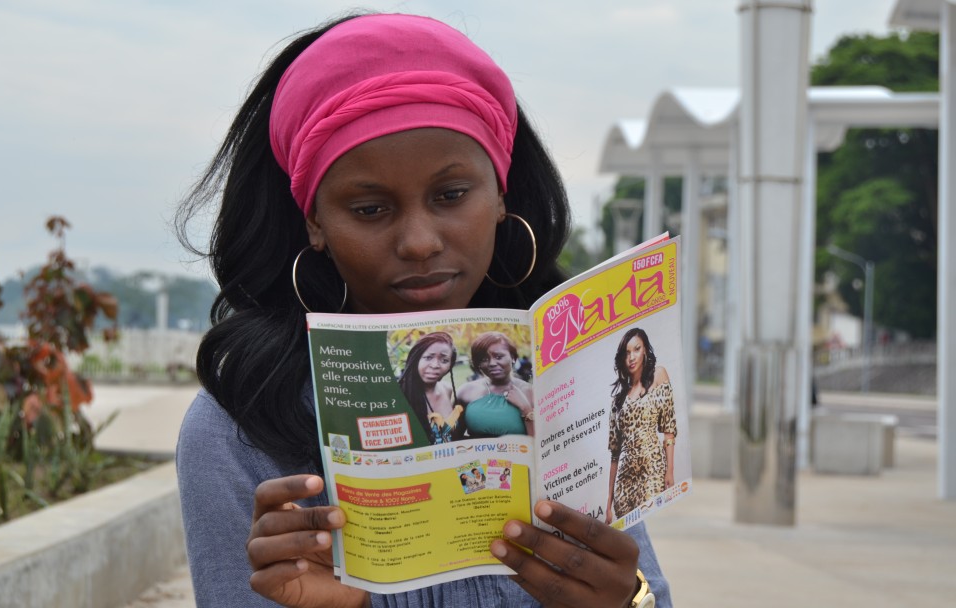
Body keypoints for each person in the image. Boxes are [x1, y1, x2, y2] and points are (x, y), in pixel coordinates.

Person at [174, 11, 672, 607]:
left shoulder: (569, 387)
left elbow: (651, 598)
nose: (419, 241)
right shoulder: (238, 428)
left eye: (451, 195)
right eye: (369, 209)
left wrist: (629, 599)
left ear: (499, 192)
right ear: (314, 221)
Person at [604, 327, 678, 525]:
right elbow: (614, 454)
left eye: (636, 349)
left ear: (645, 350)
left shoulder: (659, 376)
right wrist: (609, 502)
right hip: (624, 481)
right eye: (627, 353)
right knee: (630, 536)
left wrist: (669, 471)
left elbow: (669, 430)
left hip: (652, 470)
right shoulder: (617, 401)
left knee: (648, 529)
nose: (632, 357)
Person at [457, 332, 536, 437]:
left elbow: (540, 445)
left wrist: (526, 409)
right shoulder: (465, 392)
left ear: (512, 357)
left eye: (498, 357)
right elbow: (454, 438)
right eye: (484, 359)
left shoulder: (531, 392)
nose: (492, 363)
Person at [397, 332, 465, 443]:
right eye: (428, 357)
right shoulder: (400, 394)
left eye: (444, 360)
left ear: (450, 365)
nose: (435, 365)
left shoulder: (447, 389)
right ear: (416, 359)